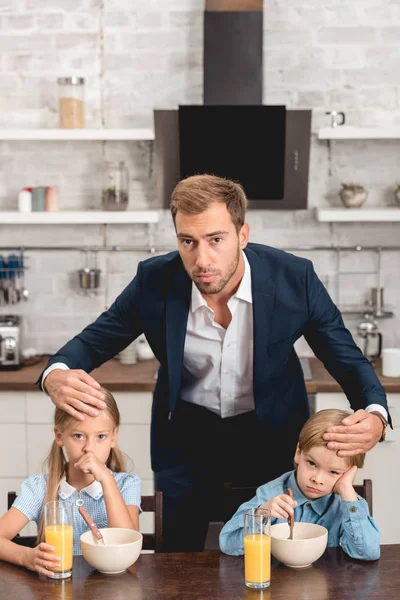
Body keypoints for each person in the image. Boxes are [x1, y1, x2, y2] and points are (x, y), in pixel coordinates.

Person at [39, 174, 389, 552]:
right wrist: (54, 375)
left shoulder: (294, 278)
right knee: (178, 562)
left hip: (270, 438)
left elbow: (346, 357)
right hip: (185, 441)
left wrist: (375, 414)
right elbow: (91, 343)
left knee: (271, 554)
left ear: (242, 235)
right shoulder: (154, 280)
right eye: (187, 241)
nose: (201, 259)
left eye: (216, 240)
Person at [0, 388, 140, 576]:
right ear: (60, 437)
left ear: (113, 437)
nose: (89, 448)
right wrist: (27, 557)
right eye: (78, 436)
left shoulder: (126, 485)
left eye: (101, 436)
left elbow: (126, 545)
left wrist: (107, 480)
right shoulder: (39, 488)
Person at [220, 409, 380, 561]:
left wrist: (346, 489)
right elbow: (228, 543)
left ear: (349, 472)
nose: (317, 479)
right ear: (298, 453)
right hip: (277, 582)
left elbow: (368, 552)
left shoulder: (345, 503)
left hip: (329, 585)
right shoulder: (270, 494)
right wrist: (262, 514)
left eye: (334, 472)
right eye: (312, 463)